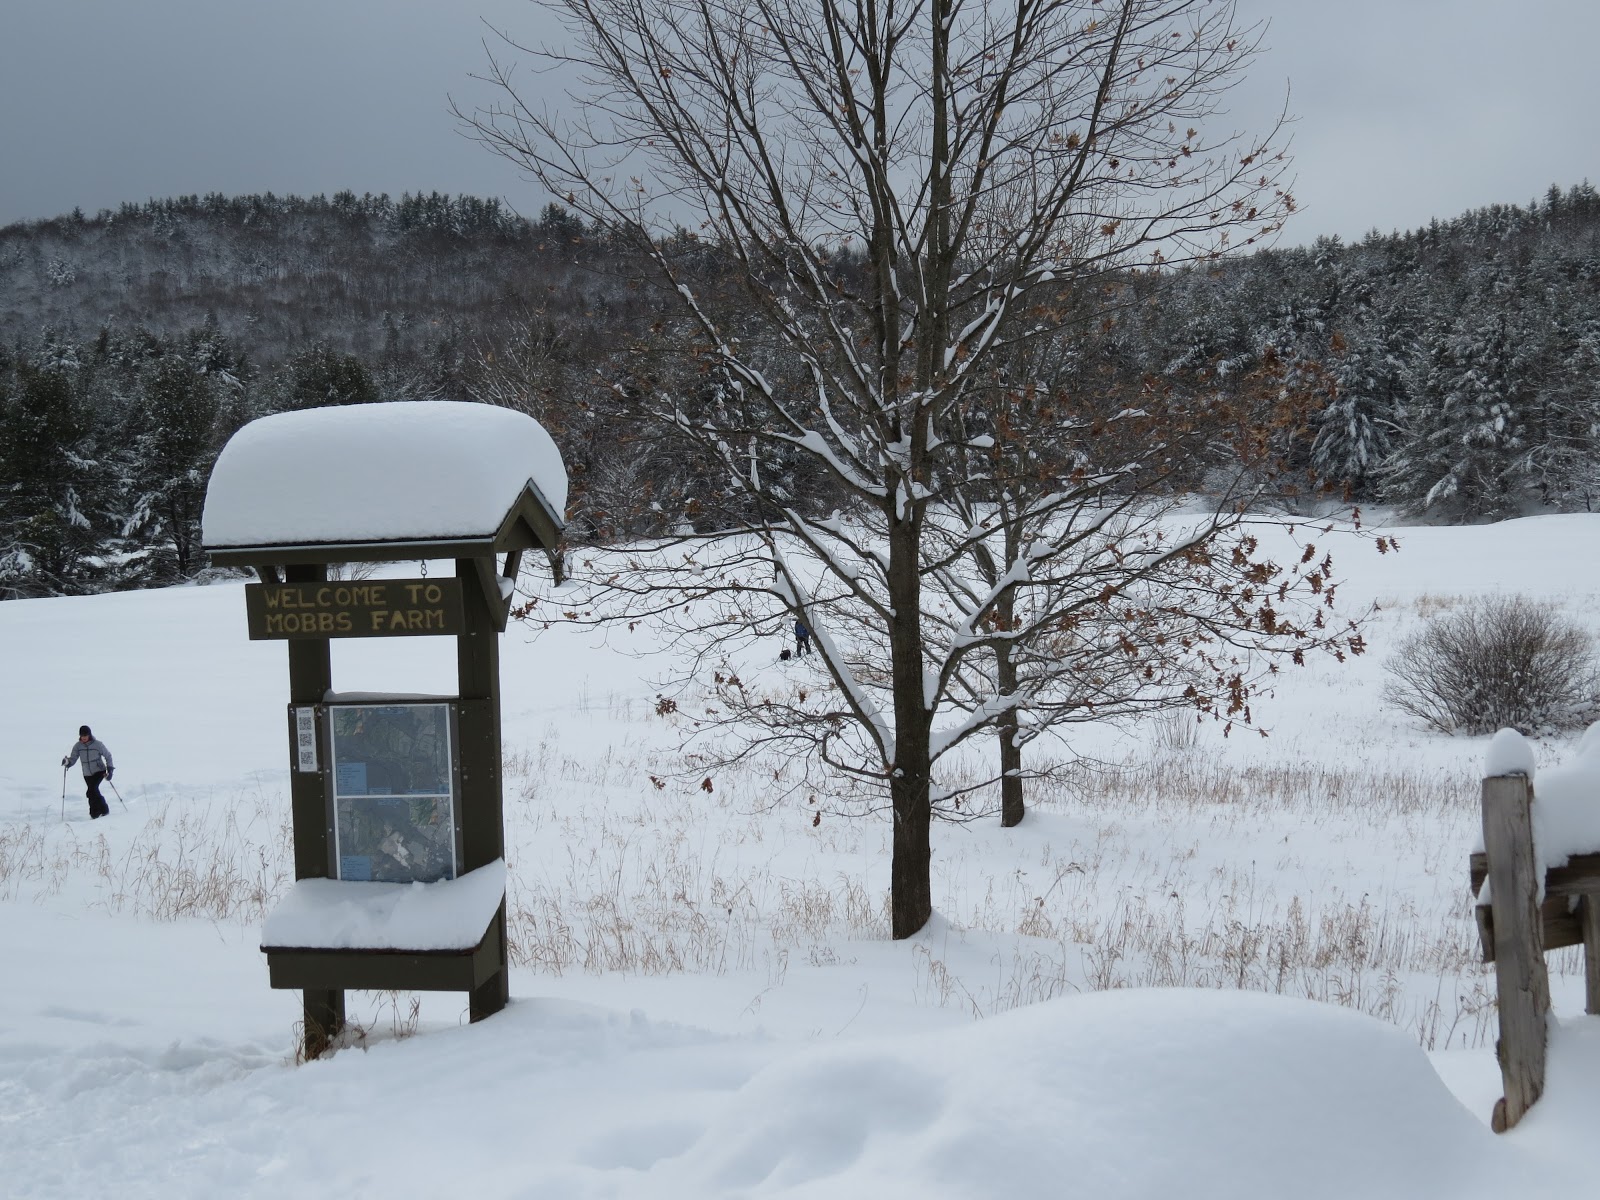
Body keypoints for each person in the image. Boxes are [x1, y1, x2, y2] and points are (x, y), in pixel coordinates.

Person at [63, 725, 113, 819]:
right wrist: (67, 762)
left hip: (99, 771)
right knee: (92, 792)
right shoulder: (78, 746)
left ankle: (102, 810)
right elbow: (73, 758)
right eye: (82, 735)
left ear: (89, 735)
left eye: (85, 735)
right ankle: (95, 813)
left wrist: (110, 769)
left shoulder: (98, 744)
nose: (84, 737)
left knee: (92, 790)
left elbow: (108, 756)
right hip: (87, 773)